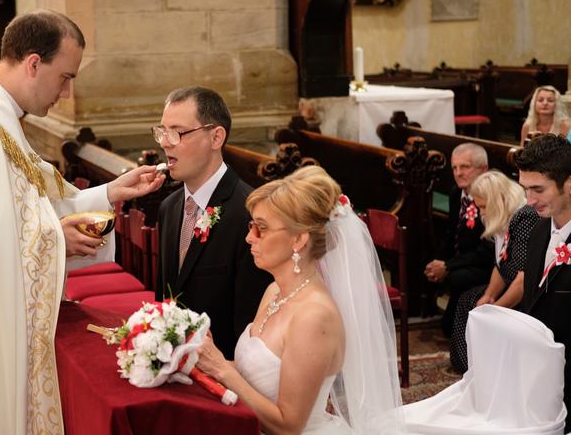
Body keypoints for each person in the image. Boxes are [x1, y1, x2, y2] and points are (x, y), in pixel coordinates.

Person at [0, 10, 165, 435]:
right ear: (34, 63)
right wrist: (55, 239)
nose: (66, 92)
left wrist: (111, 193)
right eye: (65, 77)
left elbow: (27, 206)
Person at [196, 166, 403, 434]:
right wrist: (204, 356)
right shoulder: (274, 291)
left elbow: (289, 425)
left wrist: (222, 370)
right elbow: (257, 376)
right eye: (251, 226)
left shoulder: (314, 317)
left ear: (298, 240)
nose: (249, 237)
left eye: (261, 228)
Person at [154, 86, 272, 359]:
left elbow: (250, 319)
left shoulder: (249, 214)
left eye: (177, 133)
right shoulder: (169, 207)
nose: (165, 143)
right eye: (162, 131)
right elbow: (165, 297)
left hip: (226, 369)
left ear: (216, 137)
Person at [449, 170, 539, 372]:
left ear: (497, 201)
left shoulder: (524, 217)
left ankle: (478, 368)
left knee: (477, 309)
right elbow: (501, 264)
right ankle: (471, 367)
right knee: (470, 300)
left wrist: (495, 308)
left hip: (526, 293)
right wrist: (488, 296)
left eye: (483, 207)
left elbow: (523, 279)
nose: (481, 213)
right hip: (510, 284)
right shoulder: (503, 217)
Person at [516, 133, 571, 432]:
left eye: (538, 189)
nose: (529, 201)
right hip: (539, 379)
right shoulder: (537, 231)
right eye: (525, 189)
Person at [425, 143, 494, 336]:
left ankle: (468, 323)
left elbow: (487, 250)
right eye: (454, 167)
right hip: (463, 258)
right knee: (426, 260)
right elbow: (451, 232)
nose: (458, 173)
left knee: (457, 278)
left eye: (465, 167)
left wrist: (448, 266)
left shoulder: (491, 198)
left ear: (483, 169)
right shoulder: (456, 193)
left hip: (485, 263)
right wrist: (438, 261)